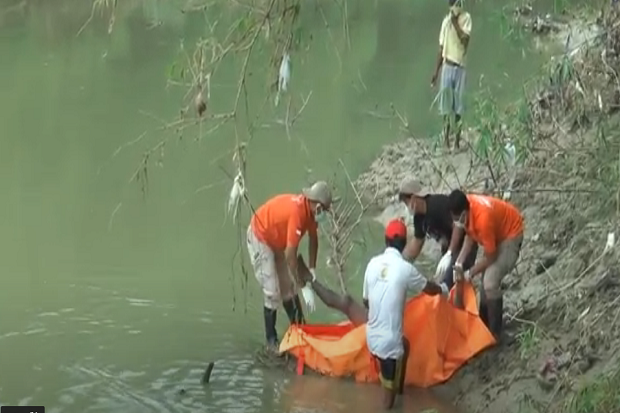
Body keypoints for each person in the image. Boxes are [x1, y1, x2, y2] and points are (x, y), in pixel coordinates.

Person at [363, 219, 449, 410]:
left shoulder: (372, 264)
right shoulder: (405, 269)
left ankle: (397, 388)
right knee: (388, 405)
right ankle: (393, 394)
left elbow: (366, 302)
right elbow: (430, 289)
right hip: (389, 344)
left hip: (371, 337)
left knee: (406, 345)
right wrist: (444, 288)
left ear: (386, 241)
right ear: (403, 244)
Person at [246, 181, 332, 352]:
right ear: (316, 204)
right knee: (272, 292)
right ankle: (271, 342)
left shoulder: (311, 214)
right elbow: (290, 255)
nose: (324, 214)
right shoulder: (298, 214)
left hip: (277, 239)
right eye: (323, 210)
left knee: (288, 289)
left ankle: (300, 329)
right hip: (261, 237)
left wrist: (312, 270)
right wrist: (303, 286)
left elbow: (314, 240)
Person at [447, 189, 524, 341]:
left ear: (464, 213)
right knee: (483, 286)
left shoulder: (483, 219)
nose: (457, 223)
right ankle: (483, 324)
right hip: (497, 233)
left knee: (489, 282)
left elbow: (491, 256)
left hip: (511, 235)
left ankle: (496, 333)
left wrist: (471, 272)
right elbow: (470, 235)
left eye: (458, 219)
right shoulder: (466, 205)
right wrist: (459, 261)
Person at [398, 177, 478, 307]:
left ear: (414, 198)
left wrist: (450, 253)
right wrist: (400, 260)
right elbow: (417, 242)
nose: (406, 208)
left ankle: (462, 314)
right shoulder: (419, 218)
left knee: (449, 284)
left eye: (406, 203)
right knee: (436, 284)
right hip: (448, 249)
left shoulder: (437, 205)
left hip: (464, 245)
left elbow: (458, 225)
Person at [430, 0, 472, 151]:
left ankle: (457, 143)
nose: (455, 7)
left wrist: (455, 23)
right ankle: (446, 141)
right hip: (447, 66)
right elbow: (441, 48)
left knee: (459, 107)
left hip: (460, 67)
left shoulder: (466, 19)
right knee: (446, 106)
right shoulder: (446, 22)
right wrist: (436, 72)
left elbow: (465, 40)